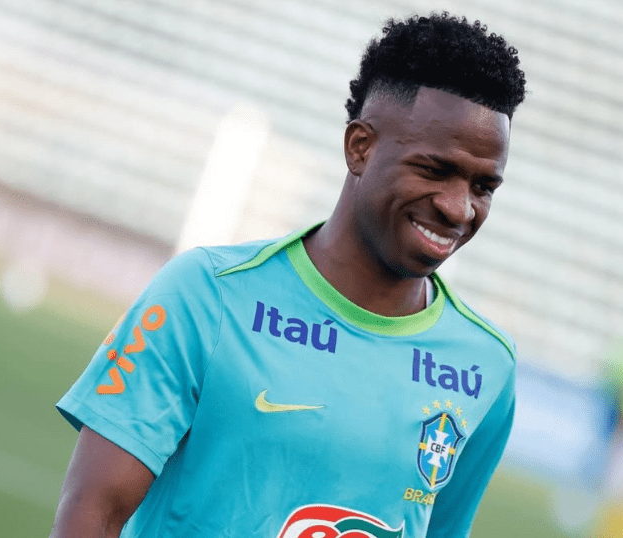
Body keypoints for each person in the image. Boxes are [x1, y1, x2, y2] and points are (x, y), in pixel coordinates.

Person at [50, 12, 525, 538]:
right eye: (435, 170)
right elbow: (92, 513)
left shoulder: (486, 366)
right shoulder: (207, 295)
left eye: (483, 187)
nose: (459, 208)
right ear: (360, 147)